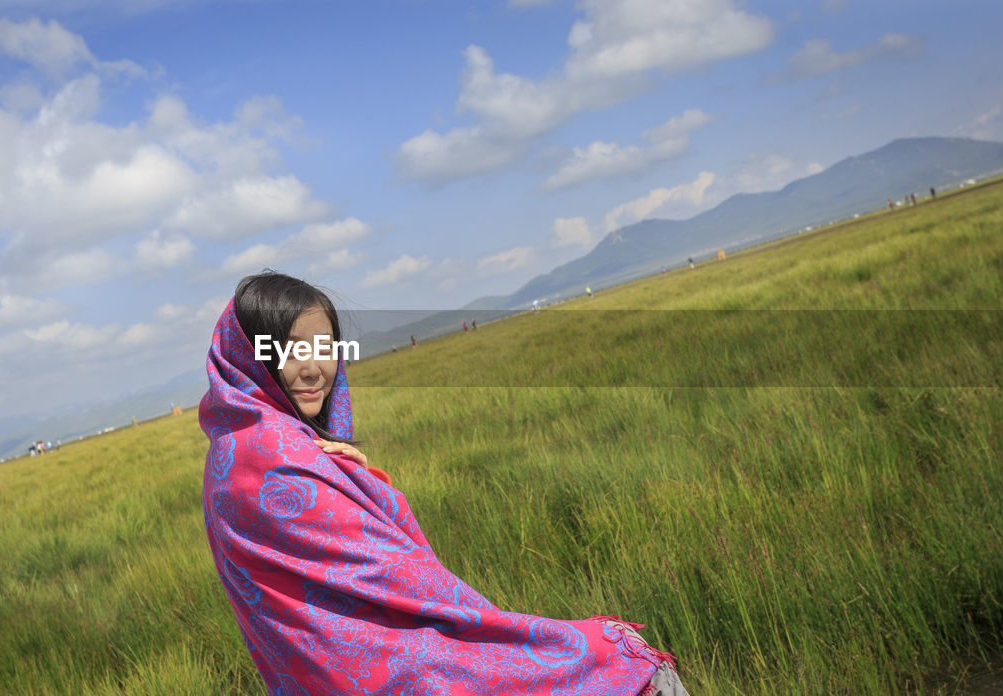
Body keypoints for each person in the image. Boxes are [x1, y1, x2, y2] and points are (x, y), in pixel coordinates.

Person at [199, 271, 685, 695]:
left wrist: (361, 482)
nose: (313, 367)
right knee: (618, 659)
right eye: (286, 349)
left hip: (323, 678)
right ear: (250, 356)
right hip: (400, 674)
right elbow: (412, 581)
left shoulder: (235, 449)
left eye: (324, 347)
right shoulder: (279, 456)